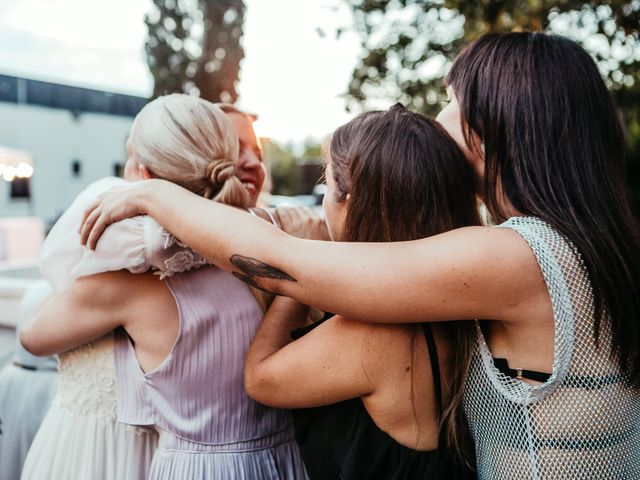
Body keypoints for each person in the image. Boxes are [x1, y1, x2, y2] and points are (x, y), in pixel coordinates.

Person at [79, 32, 640, 479]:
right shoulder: (595, 242)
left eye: (450, 101)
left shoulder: (521, 256)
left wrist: (154, 194)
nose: (439, 118)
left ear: (493, 126)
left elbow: (286, 265)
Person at [21, 94, 308, 479]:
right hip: (280, 462)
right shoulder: (270, 253)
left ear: (146, 178)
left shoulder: (129, 283)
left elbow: (33, 337)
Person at [243, 104, 478, 479]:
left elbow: (260, 379)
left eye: (328, 186)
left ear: (350, 203)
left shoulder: (376, 330)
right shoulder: (458, 292)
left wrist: (302, 271)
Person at [0, 280, 58, 480]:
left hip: (14, 377)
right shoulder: (63, 292)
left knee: (9, 450)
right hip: (48, 386)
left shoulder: (37, 289)